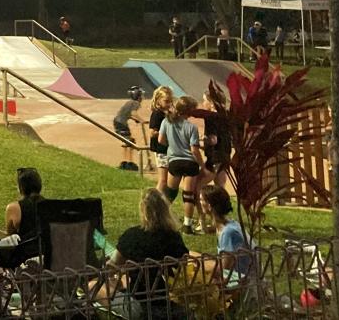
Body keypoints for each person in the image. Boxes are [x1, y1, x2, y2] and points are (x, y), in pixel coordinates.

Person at [106, 189, 190, 319]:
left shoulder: (131, 236)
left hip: (138, 304)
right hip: (166, 299)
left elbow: (112, 266)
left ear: (143, 211)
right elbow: (183, 263)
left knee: (93, 286)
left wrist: (113, 279)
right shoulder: (174, 237)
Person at [159, 96, 206, 234]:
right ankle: (187, 225)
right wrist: (202, 165)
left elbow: (161, 140)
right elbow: (194, 150)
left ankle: (160, 219)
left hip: (174, 162)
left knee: (170, 193)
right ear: (189, 111)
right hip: (190, 164)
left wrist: (172, 145)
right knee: (188, 195)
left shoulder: (166, 121)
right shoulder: (192, 128)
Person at [202, 185, 254, 287]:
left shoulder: (227, 232)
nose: (199, 203)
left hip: (244, 282)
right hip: (241, 276)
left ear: (209, 205)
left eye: (201, 200)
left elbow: (224, 267)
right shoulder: (231, 224)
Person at [0, 167, 44, 264]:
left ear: (21, 188)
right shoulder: (51, 206)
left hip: (25, 261)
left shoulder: (14, 208)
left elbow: (9, 236)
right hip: (48, 258)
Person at [114, 86, 147, 171]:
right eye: (141, 95)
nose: (142, 97)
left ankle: (124, 162)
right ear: (137, 96)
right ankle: (129, 163)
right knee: (130, 143)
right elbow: (133, 113)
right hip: (121, 123)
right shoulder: (136, 103)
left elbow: (127, 114)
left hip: (117, 122)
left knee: (127, 142)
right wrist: (141, 120)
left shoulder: (129, 102)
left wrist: (136, 120)